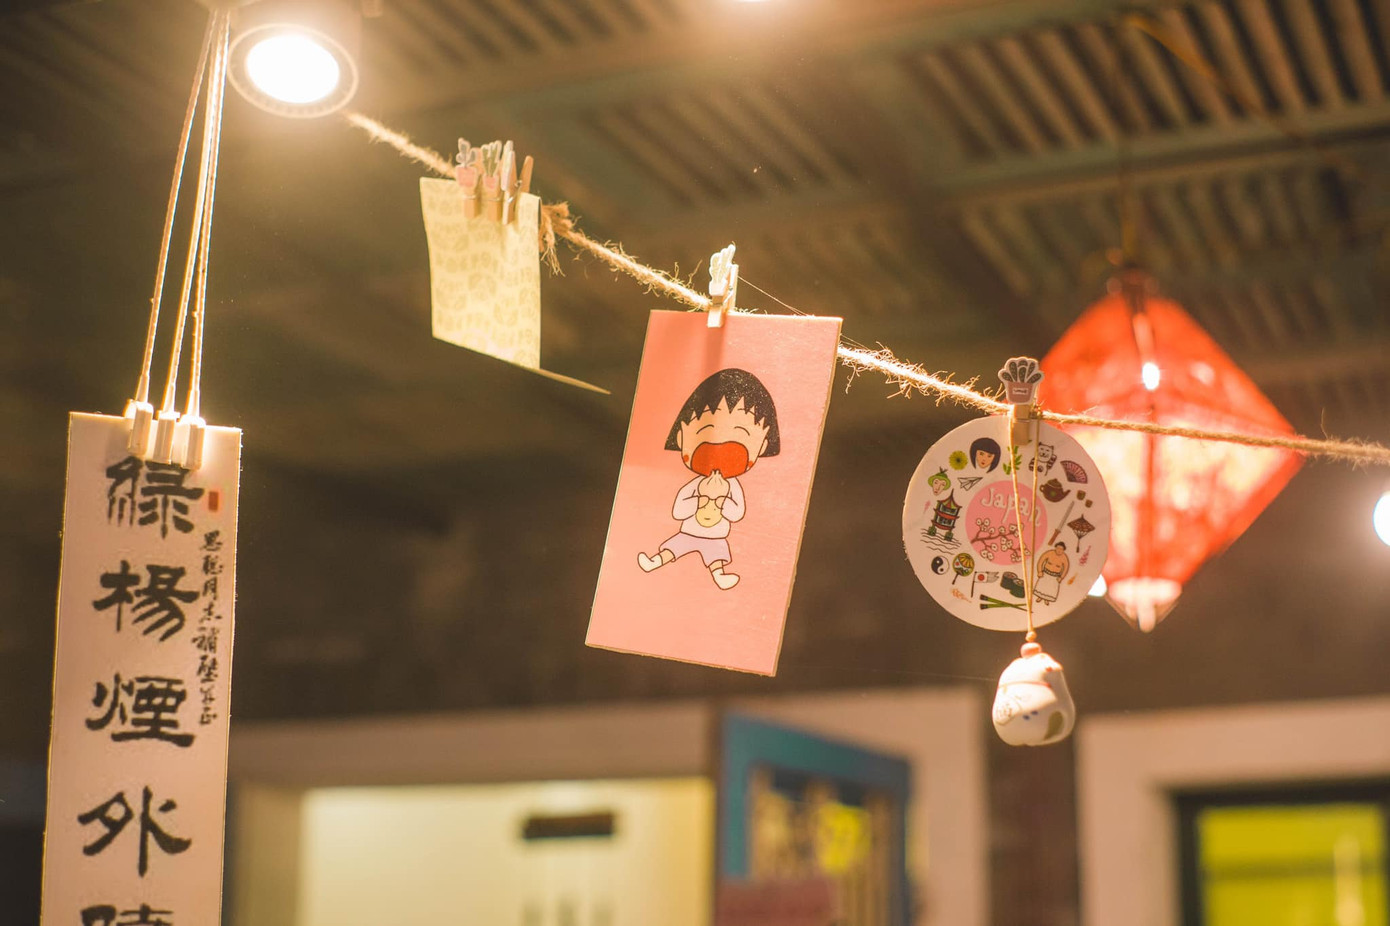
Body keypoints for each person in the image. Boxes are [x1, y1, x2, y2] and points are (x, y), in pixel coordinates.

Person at [637, 368, 780, 590]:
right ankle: (654, 562)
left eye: (741, 434)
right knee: (673, 548)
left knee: (717, 556)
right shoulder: (696, 484)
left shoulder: (732, 486)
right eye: (708, 430)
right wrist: (702, 495)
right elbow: (678, 511)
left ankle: (719, 575)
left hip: (716, 537)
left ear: (761, 447)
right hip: (688, 531)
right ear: (681, 438)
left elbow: (737, 513)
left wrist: (720, 498)